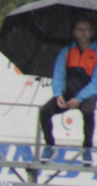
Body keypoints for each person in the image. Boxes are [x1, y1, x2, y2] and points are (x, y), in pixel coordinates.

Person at [39, 17, 97, 164]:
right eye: (79, 30)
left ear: (92, 33)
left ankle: (87, 149)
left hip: (88, 92)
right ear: (74, 33)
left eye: (86, 30)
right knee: (44, 111)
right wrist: (58, 94)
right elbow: (58, 74)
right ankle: (50, 145)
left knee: (88, 112)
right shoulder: (67, 51)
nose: (83, 34)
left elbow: (95, 82)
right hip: (69, 91)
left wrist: (80, 98)